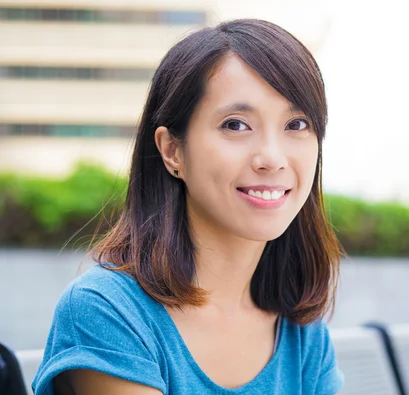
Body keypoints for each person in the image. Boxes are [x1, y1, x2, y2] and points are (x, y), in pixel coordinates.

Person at [32, 18, 344, 395]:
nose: (272, 158)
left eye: (296, 124)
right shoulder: (107, 312)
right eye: (236, 124)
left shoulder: (302, 334)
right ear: (172, 150)